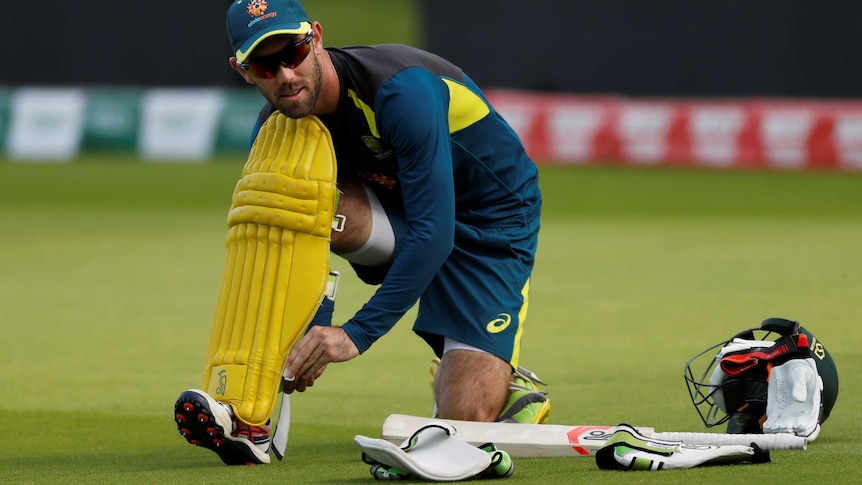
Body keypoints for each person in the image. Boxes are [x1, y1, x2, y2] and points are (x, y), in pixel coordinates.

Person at [174, 0, 548, 465]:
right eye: (265, 66)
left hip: (489, 219)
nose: (285, 76)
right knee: (284, 202)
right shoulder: (277, 125)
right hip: (405, 210)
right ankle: (250, 417)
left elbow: (435, 233)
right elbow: (277, 250)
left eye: (292, 53)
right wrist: (297, 338)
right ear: (242, 70)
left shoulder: (399, 92)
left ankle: (512, 388)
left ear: (315, 36)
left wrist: (353, 334)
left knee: (464, 422)